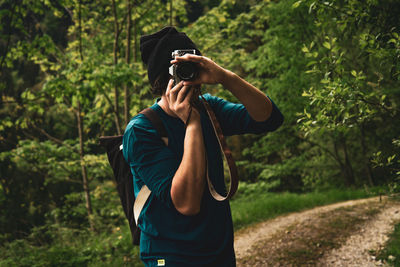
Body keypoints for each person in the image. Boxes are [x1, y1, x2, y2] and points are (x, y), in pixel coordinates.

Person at [123, 26, 284, 267]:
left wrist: (225, 77)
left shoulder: (210, 108)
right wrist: (192, 124)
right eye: (179, 72)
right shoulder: (141, 130)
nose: (188, 79)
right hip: (170, 256)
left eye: (192, 69)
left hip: (218, 251)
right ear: (161, 80)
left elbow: (269, 118)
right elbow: (187, 203)